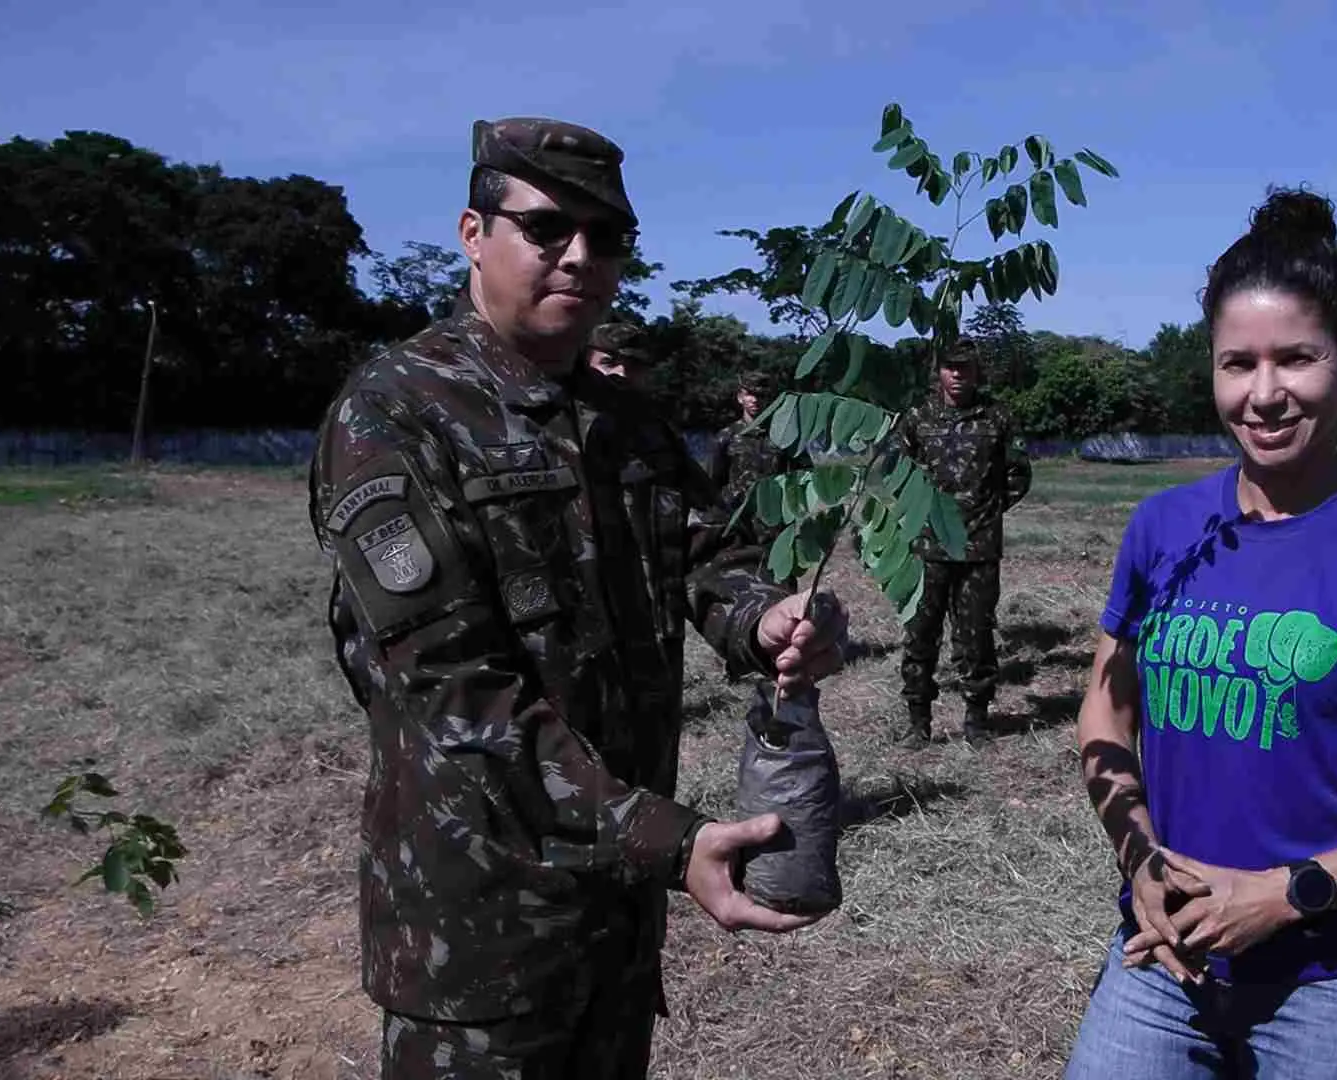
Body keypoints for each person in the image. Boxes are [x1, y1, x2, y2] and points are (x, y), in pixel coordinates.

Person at [306, 116, 847, 1079]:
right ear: (475, 234)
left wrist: (764, 619)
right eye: (548, 228)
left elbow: (705, 557)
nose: (580, 257)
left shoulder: (625, 416)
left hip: (617, 908)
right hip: (480, 924)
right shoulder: (396, 411)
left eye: (609, 237)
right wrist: (670, 840)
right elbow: (454, 693)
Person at [1064, 188, 1337, 1080]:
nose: (1263, 394)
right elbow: (1105, 719)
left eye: (1295, 360)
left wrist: (1285, 895)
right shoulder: (1163, 528)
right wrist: (1140, 855)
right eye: (1238, 365)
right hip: (1165, 958)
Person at [893, 342, 1033, 745]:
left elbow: (1018, 474)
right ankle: (918, 723)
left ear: (976, 373)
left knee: (976, 636)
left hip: (978, 548)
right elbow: (896, 471)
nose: (957, 376)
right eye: (950, 369)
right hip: (926, 548)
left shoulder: (997, 416)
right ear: (939, 372)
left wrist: (986, 512)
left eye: (965, 369)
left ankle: (977, 720)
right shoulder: (918, 418)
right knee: (920, 635)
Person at [709, 370, 802, 560]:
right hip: (737, 530)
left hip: (774, 528)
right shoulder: (726, 437)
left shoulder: (782, 438)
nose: (755, 400)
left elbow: (797, 483)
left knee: (780, 583)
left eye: (761, 395)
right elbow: (712, 487)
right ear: (740, 398)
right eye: (749, 394)